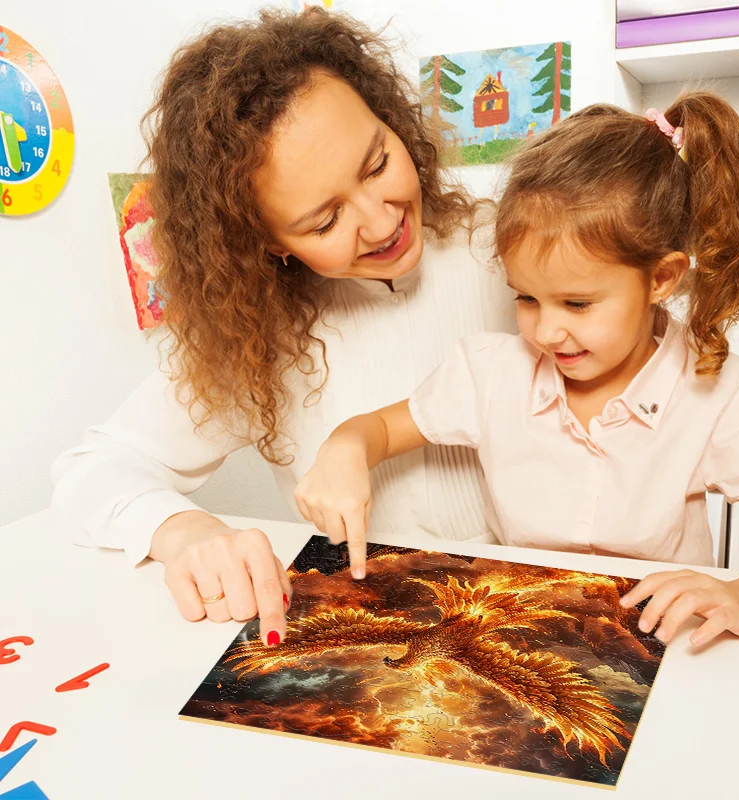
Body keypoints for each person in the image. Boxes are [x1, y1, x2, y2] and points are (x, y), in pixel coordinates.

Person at [49, 7, 516, 647]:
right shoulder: (260, 334)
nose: (381, 226)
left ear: (391, 119)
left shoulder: (512, 249)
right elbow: (92, 470)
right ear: (264, 242)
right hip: (382, 639)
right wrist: (189, 533)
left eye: (378, 164)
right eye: (323, 223)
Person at [296, 93, 739, 648]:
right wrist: (345, 447)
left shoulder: (715, 393)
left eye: (577, 304)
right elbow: (382, 429)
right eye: (527, 298)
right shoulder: (490, 373)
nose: (545, 331)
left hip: (661, 650)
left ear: (662, 279)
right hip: (521, 634)